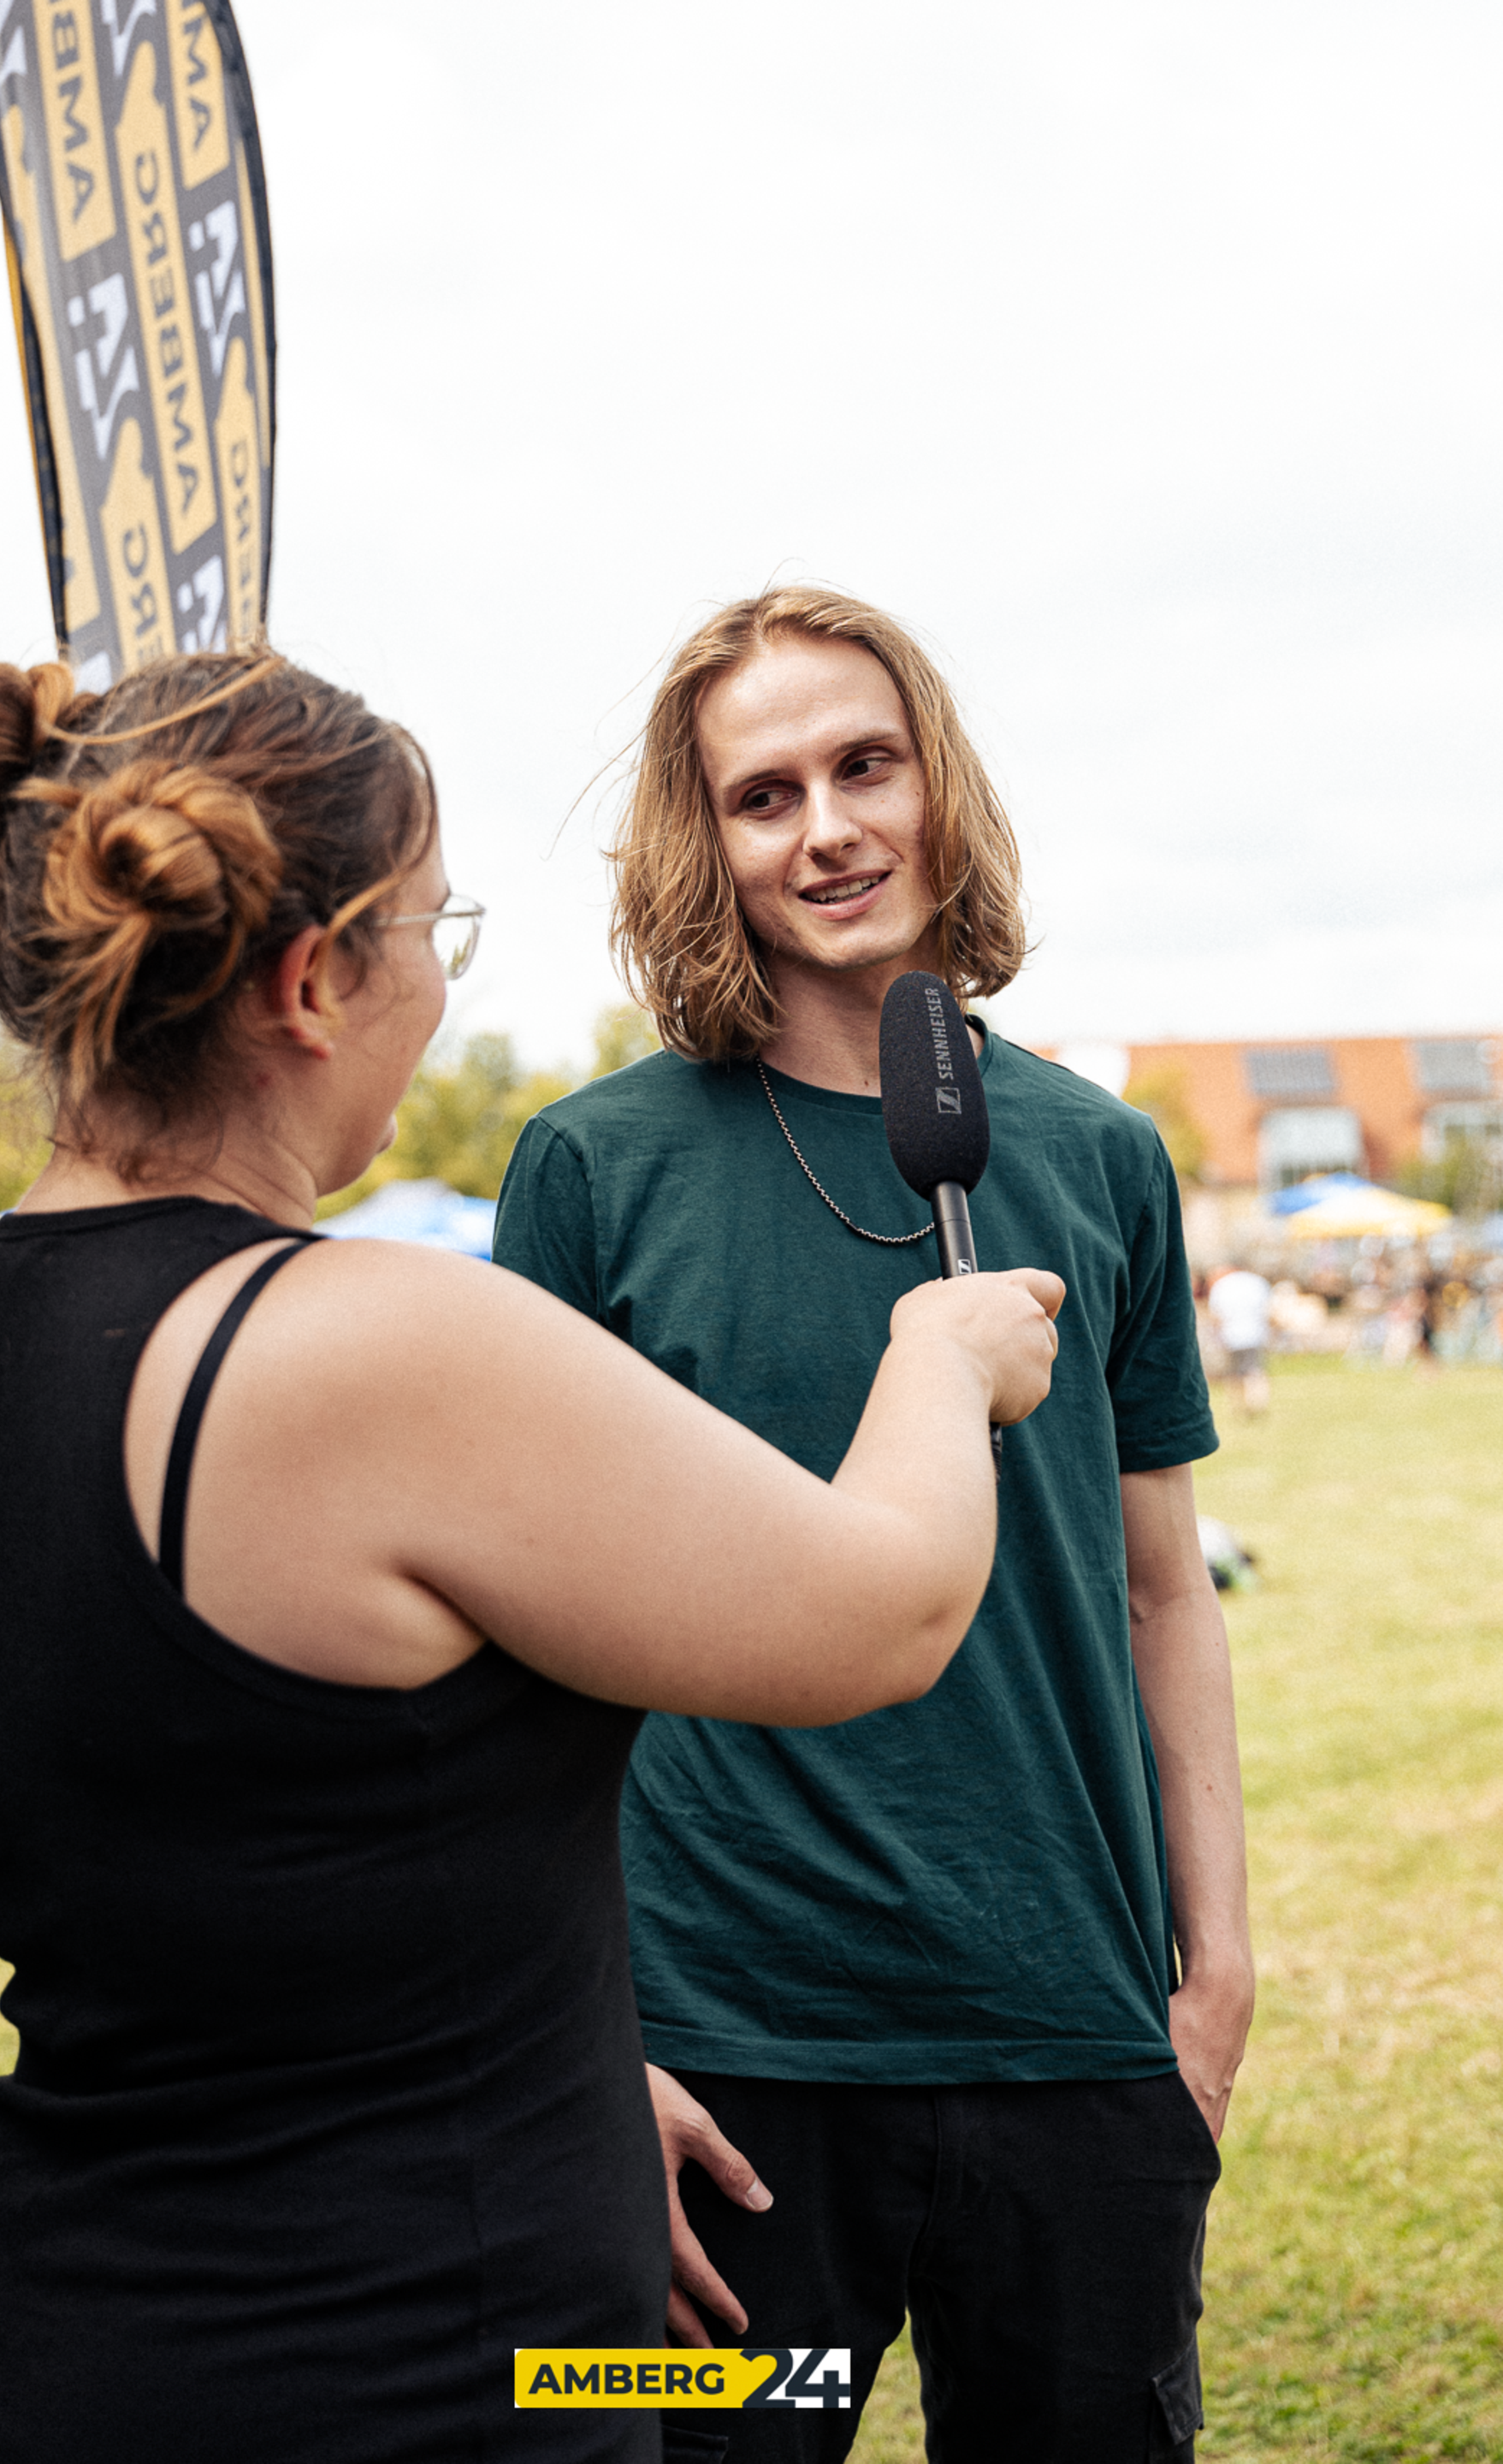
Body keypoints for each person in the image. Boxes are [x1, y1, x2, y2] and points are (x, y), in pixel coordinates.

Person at [0, 648, 1062, 2464]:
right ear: (313, 980)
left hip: (21, 2351)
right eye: (435, 928)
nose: (440, 978)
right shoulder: (375, 1343)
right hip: (388, 2371)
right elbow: (879, 1610)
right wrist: (938, 1358)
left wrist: (548, 2065)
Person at [494, 585, 1254, 2463]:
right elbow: (519, 1657)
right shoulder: (596, 1167)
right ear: (712, 849)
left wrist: (1214, 1970)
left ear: (937, 788)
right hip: (720, 2064)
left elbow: (1164, 1594)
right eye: (764, 797)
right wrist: (590, 2055)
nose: (826, 828)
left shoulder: (1101, 1155)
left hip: (1075, 2038)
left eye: (864, 766)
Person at [1207, 1264, 1273, 1415]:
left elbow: (1216, 1314)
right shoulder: (1257, 1282)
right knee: (1255, 1370)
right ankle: (1257, 1405)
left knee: (1234, 1374)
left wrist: (1216, 1335)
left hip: (1230, 1335)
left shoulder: (1222, 1285)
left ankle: (1239, 1407)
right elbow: (1268, 1309)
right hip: (1255, 1333)